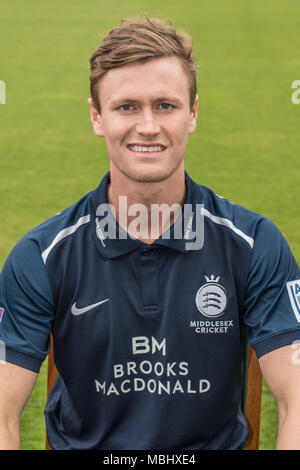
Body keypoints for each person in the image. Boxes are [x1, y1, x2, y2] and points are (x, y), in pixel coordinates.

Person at [0, 13, 300, 451]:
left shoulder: (255, 245)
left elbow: (296, 399)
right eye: (126, 106)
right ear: (96, 116)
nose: (147, 126)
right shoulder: (40, 257)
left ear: (192, 113)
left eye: (165, 105)